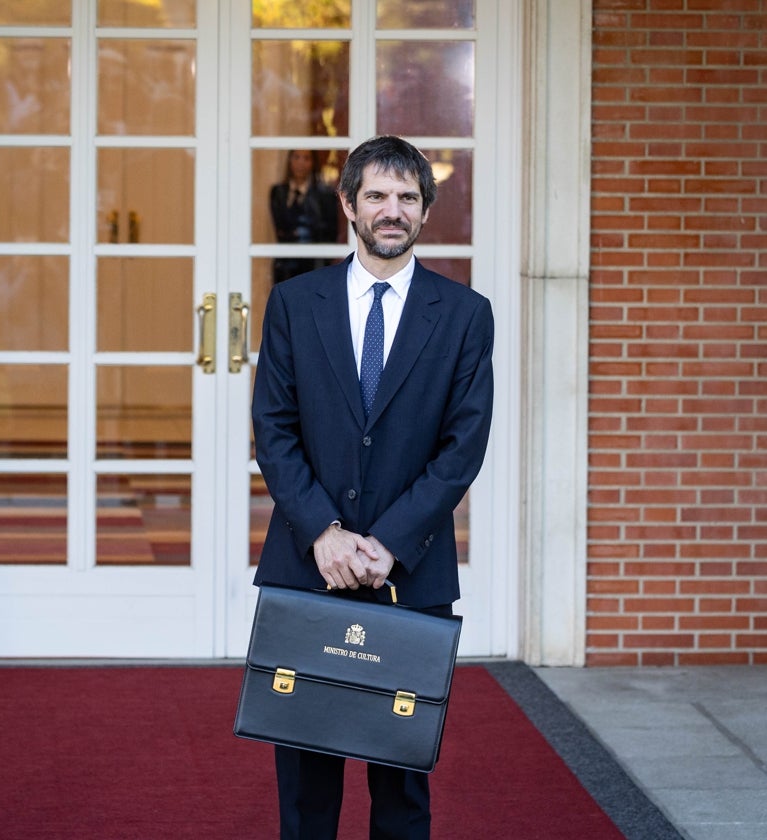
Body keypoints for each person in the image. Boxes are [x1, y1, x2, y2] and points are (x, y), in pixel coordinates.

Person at [250, 135, 495, 839]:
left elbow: (461, 449)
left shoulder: (464, 314)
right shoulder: (295, 304)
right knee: (304, 787)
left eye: (408, 198)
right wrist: (324, 533)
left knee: (402, 785)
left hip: (410, 574)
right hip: (306, 565)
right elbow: (275, 430)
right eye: (379, 196)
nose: (393, 211)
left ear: (425, 211)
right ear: (349, 206)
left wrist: (386, 543)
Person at [269, 149, 340, 284]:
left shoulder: (324, 195)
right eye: (296, 157)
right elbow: (280, 228)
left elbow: (330, 233)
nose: (300, 163)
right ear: (289, 160)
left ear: (313, 163)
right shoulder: (278, 192)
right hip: (285, 265)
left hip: (314, 264)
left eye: (306, 158)